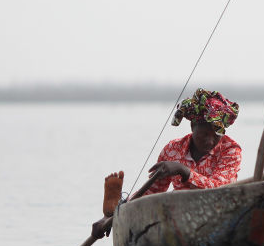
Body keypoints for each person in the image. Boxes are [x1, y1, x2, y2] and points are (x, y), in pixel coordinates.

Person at [100, 88, 241, 217]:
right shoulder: (173, 149)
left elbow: (219, 188)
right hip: (181, 216)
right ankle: (116, 209)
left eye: (216, 135)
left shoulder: (230, 150)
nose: (210, 141)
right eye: (204, 134)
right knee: (138, 206)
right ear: (192, 127)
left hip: (219, 212)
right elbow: (153, 191)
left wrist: (183, 170)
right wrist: (110, 219)